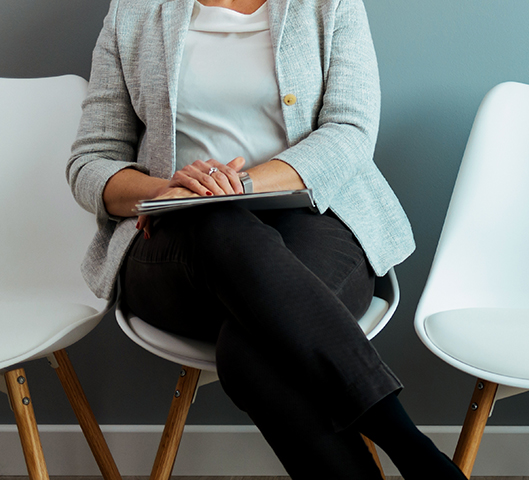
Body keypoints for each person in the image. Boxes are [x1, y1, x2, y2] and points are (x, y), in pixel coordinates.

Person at [67, 0, 466, 478]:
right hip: (177, 246)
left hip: (315, 221)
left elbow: (351, 131)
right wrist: (169, 191)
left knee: (250, 354)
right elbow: (91, 161)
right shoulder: (134, 11)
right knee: (215, 223)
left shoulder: (329, 5)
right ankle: (412, 448)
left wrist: (240, 187)